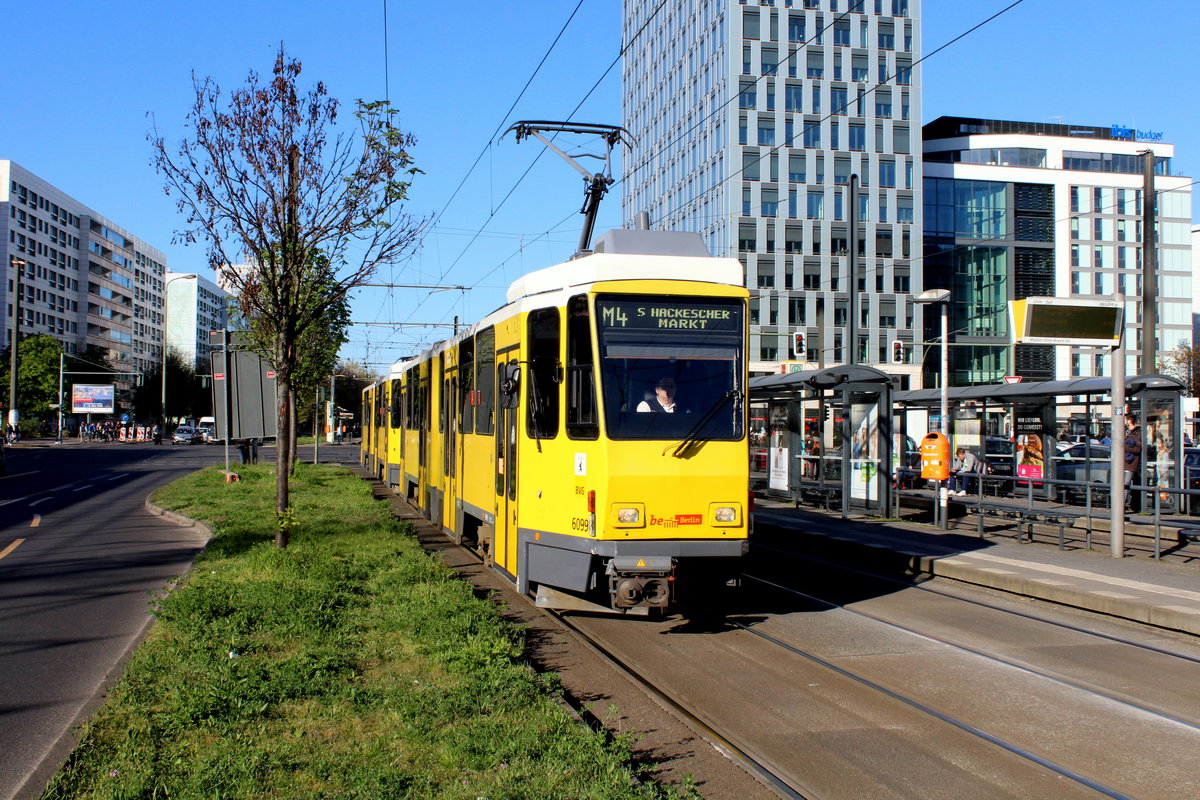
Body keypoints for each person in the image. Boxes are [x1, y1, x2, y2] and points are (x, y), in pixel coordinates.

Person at [1124, 416, 1142, 513]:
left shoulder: (1137, 433)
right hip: (1123, 463)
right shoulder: (1127, 432)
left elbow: (1138, 449)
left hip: (1130, 463)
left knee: (1125, 484)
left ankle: (1122, 504)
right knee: (1122, 484)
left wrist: (1123, 446)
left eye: (1125, 419)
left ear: (1129, 420)